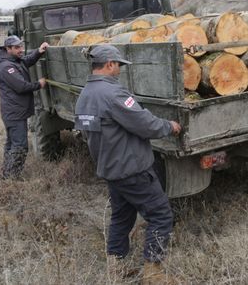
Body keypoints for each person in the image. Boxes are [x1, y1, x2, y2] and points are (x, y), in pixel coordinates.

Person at [74, 45, 182, 283]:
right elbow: (145, 123)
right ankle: (154, 274)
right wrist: (169, 127)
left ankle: (116, 267)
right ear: (110, 64)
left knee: (121, 218)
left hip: (111, 169)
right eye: (119, 65)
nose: (120, 70)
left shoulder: (85, 95)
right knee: (161, 215)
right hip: (132, 169)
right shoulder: (113, 95)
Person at [0, 35, 49, 179]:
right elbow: (21, 86)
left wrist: (39, 51)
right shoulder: (6, 67)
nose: (21, 50)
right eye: (17, 47)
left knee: (11, 144)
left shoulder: (14, 61)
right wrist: (39, 84)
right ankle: (12, 177)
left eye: (21, 47)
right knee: (20, 146)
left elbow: (26, 61)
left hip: (15, 112)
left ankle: (7, 174)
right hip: (14, 114)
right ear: (8, 49)